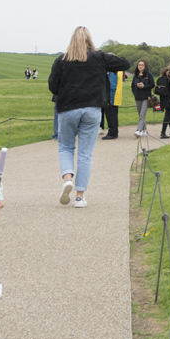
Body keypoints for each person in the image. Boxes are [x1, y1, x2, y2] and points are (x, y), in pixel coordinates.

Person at [48, 27, 129, 206]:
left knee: (66, 147)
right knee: (85, 153)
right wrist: (106, 58)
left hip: (68, 107)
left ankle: (67, 178)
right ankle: (80, 196)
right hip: (92, 108)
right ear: (89, 40)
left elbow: (53, 86)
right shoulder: (99, 57)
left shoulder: (62, 59)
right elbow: (125, 64)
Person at [100, 66, 127, 140]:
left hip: (112, 97)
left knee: (111, 116)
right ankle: (114, 132)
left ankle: (112, 133)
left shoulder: (113, 72)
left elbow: (112, 85)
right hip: (116, 97)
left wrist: (110, 98)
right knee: (113, 115)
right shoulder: (118, 70)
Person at [130, 59, 155, 136]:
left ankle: (139, 130)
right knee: (140, 114)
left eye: (142, 65)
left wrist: (144, 86)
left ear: (145, 66)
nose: (140, 66)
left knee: (142, 114)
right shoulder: (135, 76)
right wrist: (135, 92)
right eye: (139, 65)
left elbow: (152, 85)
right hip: (137, 97)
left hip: (146, 97)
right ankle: (144, 130)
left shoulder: (148, 75)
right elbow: (132, 86)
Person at [156, 60, 170, 138]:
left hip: (163, 95)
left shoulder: (164, 72)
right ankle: (163, 132)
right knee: (168, 114)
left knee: (169, 113)